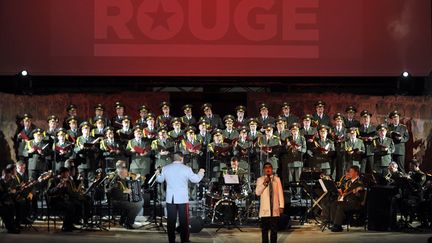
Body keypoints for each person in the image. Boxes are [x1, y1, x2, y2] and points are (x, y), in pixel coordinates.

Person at [156, 152, 205, 243]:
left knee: (171, 221)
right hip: (182, 199)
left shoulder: (166, 168)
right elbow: (196, 179)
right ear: (181, 158)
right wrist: (201, 172)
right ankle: (184, 240)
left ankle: (171, 240)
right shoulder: (186, 169)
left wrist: (157, 174)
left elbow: (160, 180)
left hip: (170, 198)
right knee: (184, 221)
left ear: (173, 159)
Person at [107, 162, 144, 229]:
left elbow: (130, 188)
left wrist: (136, 186)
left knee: (140, 200)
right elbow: (111, 191)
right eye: (125, 173)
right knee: (137, 205)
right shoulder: (115, 179)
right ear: (121, 172)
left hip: (123, 199)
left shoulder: (123, 179)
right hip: (116, 201)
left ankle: (123, 221)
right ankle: (129, 223)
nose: (127, 174)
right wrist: (124, 191)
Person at [255, 162, 284, 243]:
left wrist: (281, 205)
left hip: (274, 209)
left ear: (272, 169)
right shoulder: (260, 179)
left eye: (269, 167)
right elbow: (257, 192)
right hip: (265, 210)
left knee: (274, 230)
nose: (268, 169)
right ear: (264, 170)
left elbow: (280, 193)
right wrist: (265, 183)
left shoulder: (277, 179)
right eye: (266, 167)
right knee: (264, 230)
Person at [331, 165, 365, 232]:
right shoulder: (349, 182)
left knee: (340, 205)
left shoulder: (359, 182)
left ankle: (337, 225)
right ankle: (334, 223)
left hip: (355, 203)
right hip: (347, 202)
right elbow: (344, 191)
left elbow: (361, 193)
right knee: (334, 203)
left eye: (351, 171)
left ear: (356, 173)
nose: (349, 173)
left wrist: (357, 192)